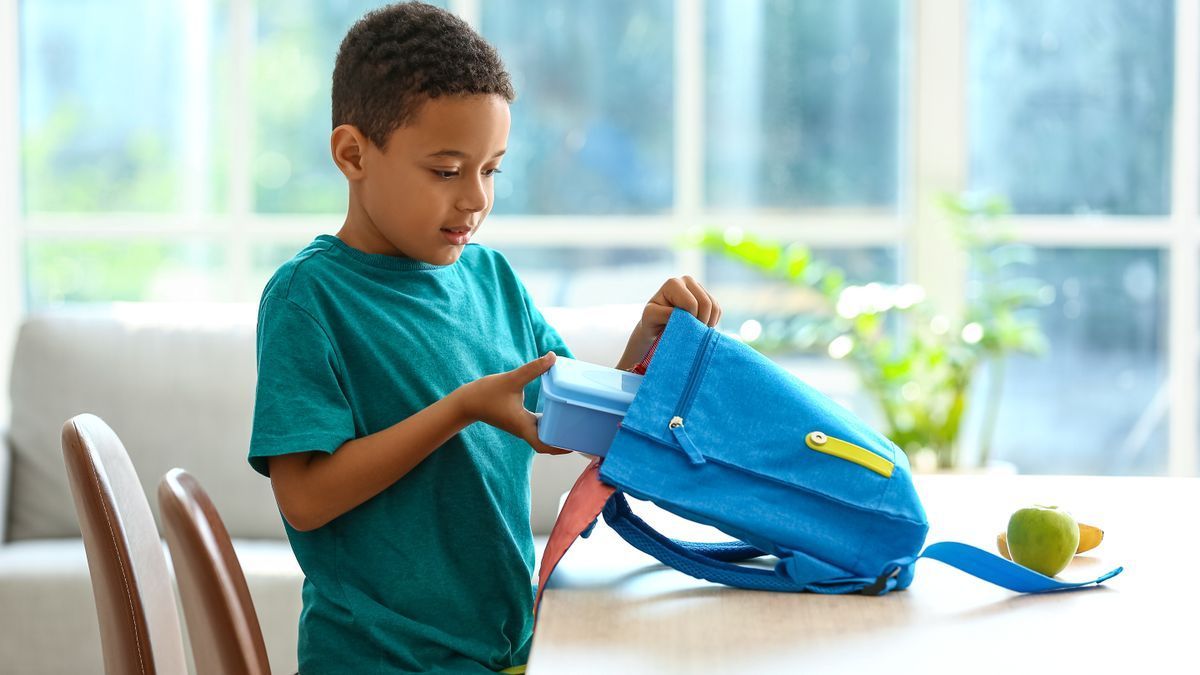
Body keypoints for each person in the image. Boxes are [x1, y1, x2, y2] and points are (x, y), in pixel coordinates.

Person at [248, 3, 722, 673]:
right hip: (379, 660)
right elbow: (304, 498)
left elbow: (559, 424)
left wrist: (647, 343)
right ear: (353, 154)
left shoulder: (491, 278)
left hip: (504, 649)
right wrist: (460, 408)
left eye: (491, 169)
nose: (474, 199)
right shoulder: (310, 297)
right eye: (446, 170)